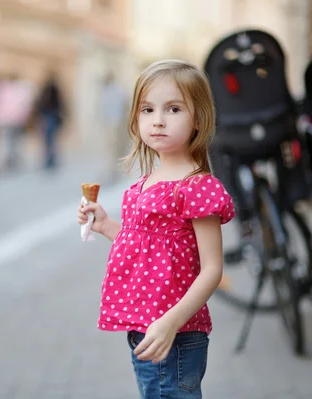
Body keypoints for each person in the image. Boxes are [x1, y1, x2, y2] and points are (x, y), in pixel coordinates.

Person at [77, 59, 235, 398]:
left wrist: (171, 322)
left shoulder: (195, 186)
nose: (158, 120)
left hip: (174, 333)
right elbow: (143, 246)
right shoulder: (146, 182)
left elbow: (212, 269)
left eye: (173, 109)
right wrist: (105, 225)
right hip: (147, 328)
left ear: (198, 120)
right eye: (147, 109)